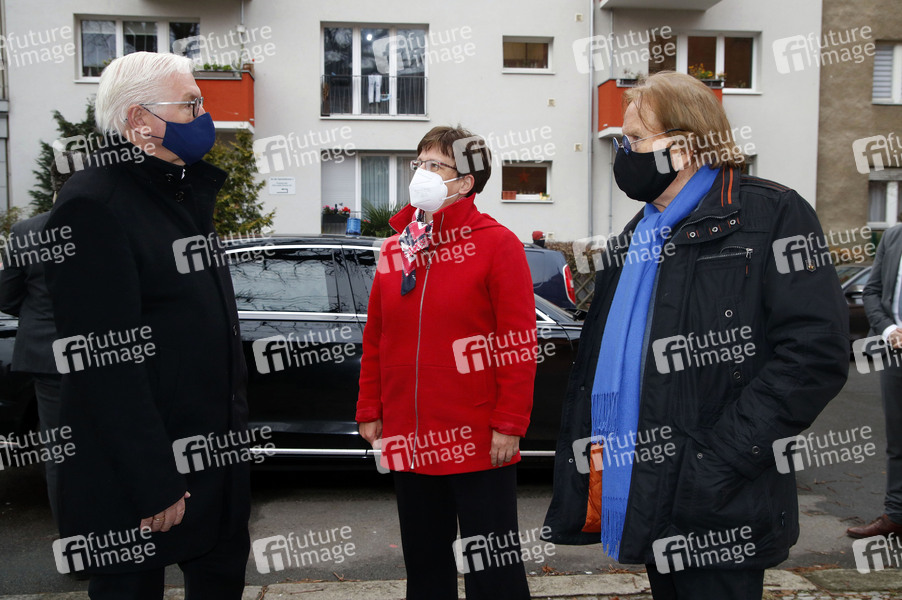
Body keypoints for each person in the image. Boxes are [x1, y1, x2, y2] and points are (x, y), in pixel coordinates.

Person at [542, 72, 849, 600]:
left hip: (721, 500)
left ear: (682, 147)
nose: (623, 153)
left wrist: (719, 460)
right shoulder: (637, 235)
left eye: (634, 139)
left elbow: (814, 354)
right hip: (651, 488)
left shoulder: (773, 214)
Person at [43, 51, 250, 599]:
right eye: (191, 104)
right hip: (141, 483)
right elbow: (102, 366)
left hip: (215, 467)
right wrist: (155, 481)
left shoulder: (181, 191)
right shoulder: (94, 205)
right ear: (139, 120)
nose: (204, 115)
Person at [356, 125, 536, 600]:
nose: (422, 173)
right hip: (409, 434)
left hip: (477, 436)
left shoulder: (497, 244)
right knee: (425, 563)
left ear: (466, 181)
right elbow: (376, 336)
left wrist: (510, 422)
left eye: (435, 165)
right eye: (419, 163)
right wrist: (370, 408)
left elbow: (518, 341)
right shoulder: (398, 247)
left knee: (492, 567)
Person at [0, 151, 83, 528]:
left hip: (47, 358)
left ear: (54, 184)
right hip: (107, 353)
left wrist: (40, 316)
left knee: (60, 452)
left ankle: (75, 540)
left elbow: (6, 297)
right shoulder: (112, 228)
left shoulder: (25, 232)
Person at [848, 223, 902, 539]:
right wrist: (888, 330)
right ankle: (896, 515)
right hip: (895, 353)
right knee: (897, 442)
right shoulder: (893, 237)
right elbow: (872, 292)